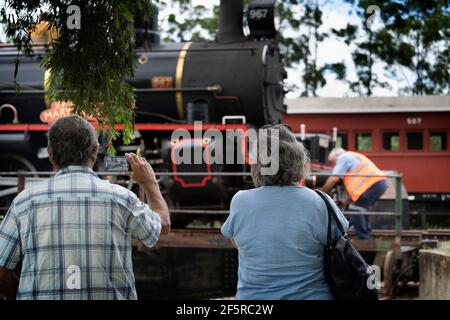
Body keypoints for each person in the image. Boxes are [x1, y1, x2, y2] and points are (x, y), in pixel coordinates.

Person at [0, 115, 170, 300]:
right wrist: (150, 182)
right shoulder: (122, 198)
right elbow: (163, 226)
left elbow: (1, 273)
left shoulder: (23, 203)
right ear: (95, 151)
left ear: (50, 154)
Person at [221, 125, 349, 300]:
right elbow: (338, 242)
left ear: (258, 164)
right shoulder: (320, 202)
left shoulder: (240, 201)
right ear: (298, 160)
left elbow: (237, 242)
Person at [320, 147, 388, 240]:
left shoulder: (344, 157)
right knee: (362, 208)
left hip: (374, 184)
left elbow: (333, 178)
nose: (334, 165)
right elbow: (356, 184)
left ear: (337, 156)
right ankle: (366, 234)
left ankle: (363, 238)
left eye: (333, 162)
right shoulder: (353, 156)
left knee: (355, 209)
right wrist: (346, 200)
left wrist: (321, 191)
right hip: (379, 184)